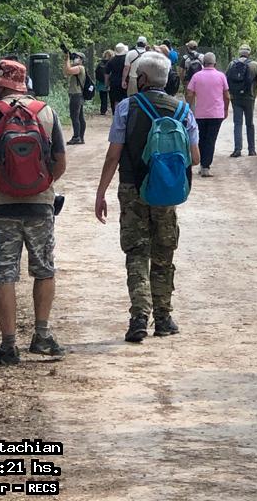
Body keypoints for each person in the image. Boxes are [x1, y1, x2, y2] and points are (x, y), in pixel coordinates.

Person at [0, 59, 67, 366]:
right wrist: (40, 183)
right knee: (44, 268)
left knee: (4, 273)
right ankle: (42, 336)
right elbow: (60, 162)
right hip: (40, 204)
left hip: (2, 205)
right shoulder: (46, 112)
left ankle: (8, 346)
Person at [95, 51, 200, 342]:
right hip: (166, 192)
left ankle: (139, 317)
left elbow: (113, 155)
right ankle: (163, 318)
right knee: (164, 253)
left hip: (132, 188)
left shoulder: (126, 108)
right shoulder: (183, 111)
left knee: (137, 253)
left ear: (142, 78)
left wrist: (101, 193)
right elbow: (195, 156)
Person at [185, 52, 229, 177]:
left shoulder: (196, 76)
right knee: (211, 140)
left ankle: (201, 163)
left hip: (200, 113)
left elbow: (189, 94)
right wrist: (226, 109)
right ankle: (205, 166)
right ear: (215, 63)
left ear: (203, 63)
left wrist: (188, 108)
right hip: (216, 114)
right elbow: (226, 95)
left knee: (201, 138)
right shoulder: (221, 76)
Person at [225, 44, 257, 158]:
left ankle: (237, 149)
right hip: (249, 97)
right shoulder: (255, 64)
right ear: (249, 53)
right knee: (249, 123)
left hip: (235, 97)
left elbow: (226, 80)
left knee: (237, 123)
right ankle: (251, 150)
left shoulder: (231, 64)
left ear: (239, 52)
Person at [63, 50, 87, 144]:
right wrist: (66, 60)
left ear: (81, 60)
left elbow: (68, 70)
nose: (75, 58)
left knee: (75, 116)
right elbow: (66, 72)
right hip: (78, 94)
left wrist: (67, 59)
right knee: (79, 116)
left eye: (77, 57)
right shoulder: (77, 68)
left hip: (76, 94)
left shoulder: (80, 68)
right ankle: (80, 137)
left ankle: (77, 137)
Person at [106, 43, 128, 111]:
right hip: (125, 82)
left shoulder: (111, 60)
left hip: (114, 82)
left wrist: (106, 84)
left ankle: (116, 114)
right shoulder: (126, 60)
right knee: (125, 99)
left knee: (116, 100)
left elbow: (106, 73)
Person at [96, 50, 113, 115]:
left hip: (101, 83)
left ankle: (103, 110)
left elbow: (96, 72)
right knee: (112, 97)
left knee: (103, 97)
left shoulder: (100, 63)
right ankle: (113, 110)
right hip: (110, 82)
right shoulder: (112, 62)